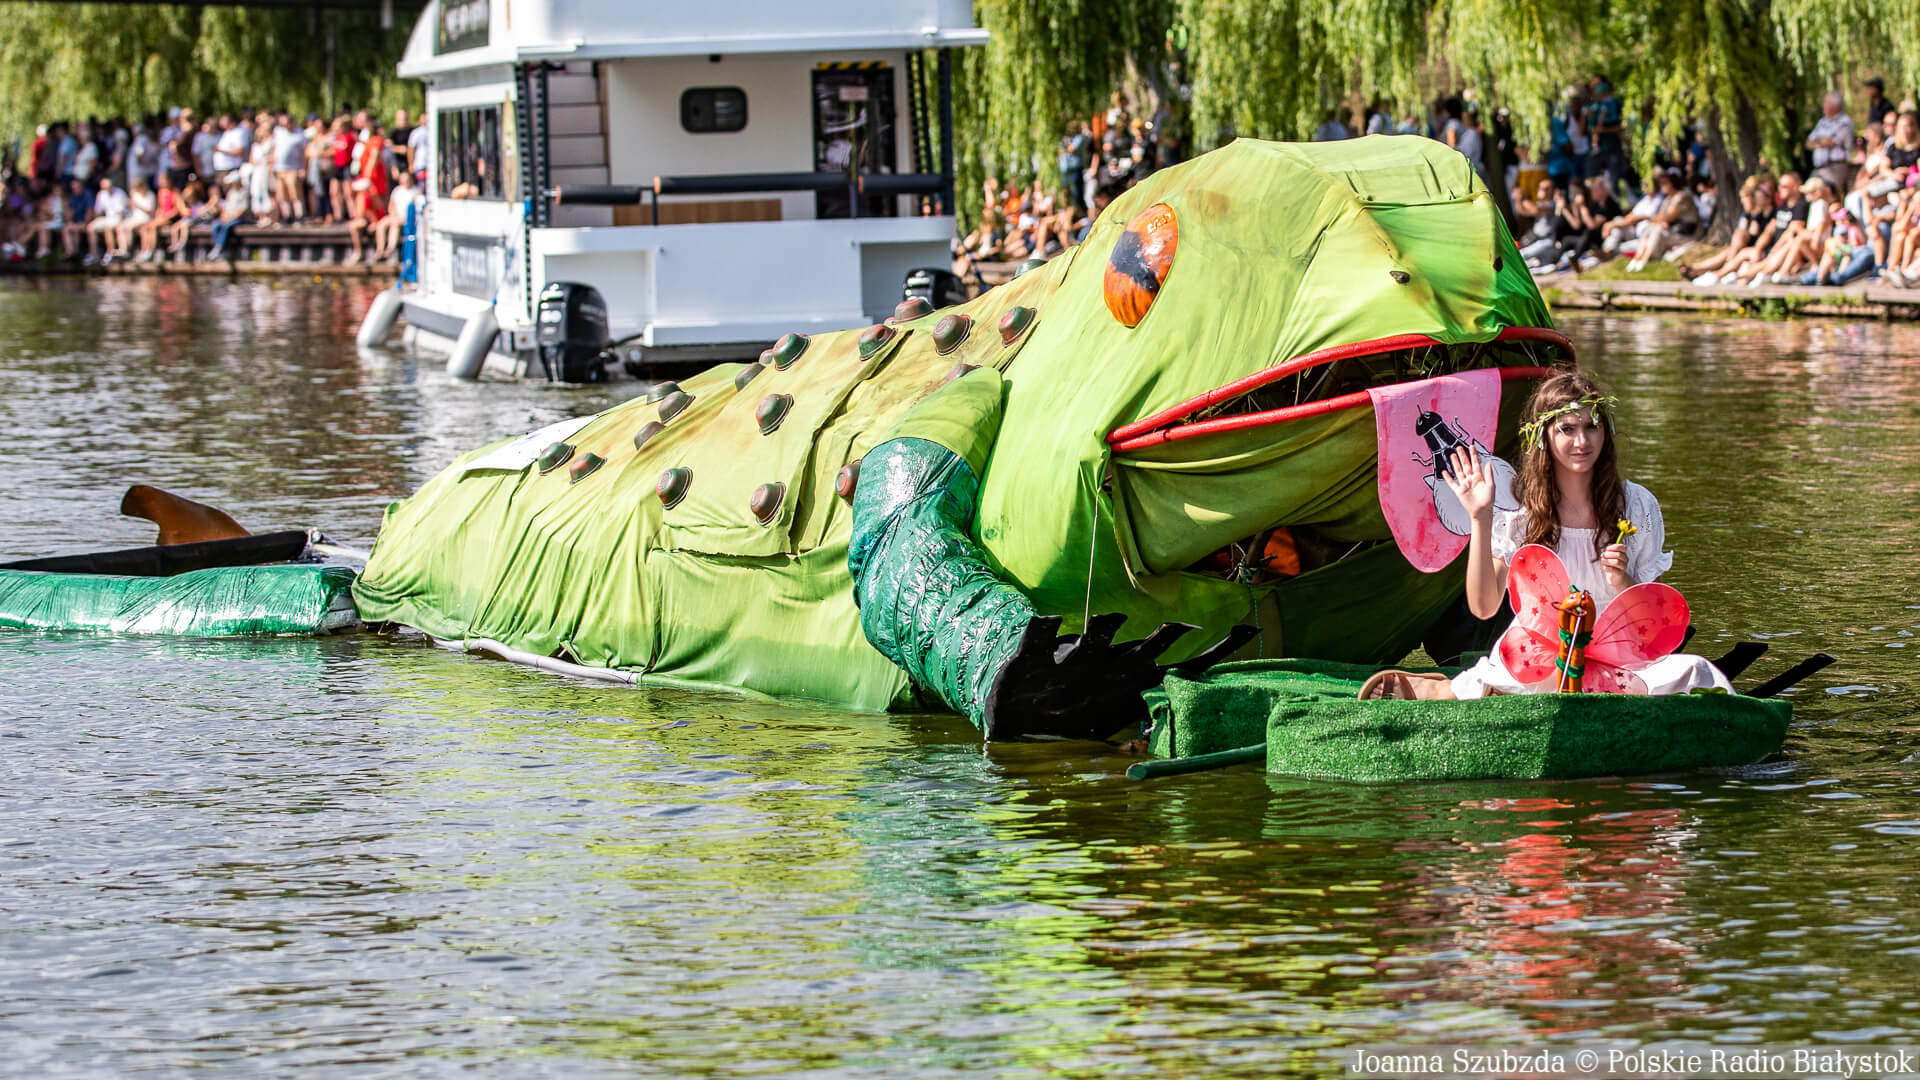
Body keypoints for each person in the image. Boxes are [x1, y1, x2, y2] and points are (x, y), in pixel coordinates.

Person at [1359, 372, 1732, 701]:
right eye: (1567, 429)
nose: (1582, 441)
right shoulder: (1519, 509)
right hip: (1539, 656)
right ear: (1543, 436)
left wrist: (1623, 582)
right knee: (1507, 684)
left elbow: (1654, 623)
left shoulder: (1636, 504)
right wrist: (1480, 517)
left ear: (1607, 431)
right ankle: (1441, 688)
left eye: (1592, 426)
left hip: (1619, 655)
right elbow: (1484, 607)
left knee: (1699, 672)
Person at [1806, 90, 1856, 191]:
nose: (1823, 105)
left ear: (1835, 105)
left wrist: (1818, 141)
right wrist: (1822, 142)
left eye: (1826, 103)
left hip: (1835, 167)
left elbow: (1831, 142)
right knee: (1810, 191)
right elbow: (1808, 143)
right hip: (1819, 168)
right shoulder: (1822, 122)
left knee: (1832, 194)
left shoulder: (1845, 122)